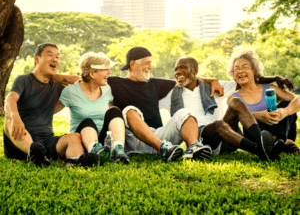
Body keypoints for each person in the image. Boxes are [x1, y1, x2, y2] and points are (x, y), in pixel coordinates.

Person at [53, 47, 225, 162]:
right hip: (133, 140)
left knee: (185, 113)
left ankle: (193, 147)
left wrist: (212, 80)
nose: (151, 66)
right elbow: (82, 78)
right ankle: (162, 149)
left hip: (158, 134)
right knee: (128, 109)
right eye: (147, 62)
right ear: (133, 64)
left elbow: (184, 79)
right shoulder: (113, 82)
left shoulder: (156, 83)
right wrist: (47, 74)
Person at [159, 57, 292, 163]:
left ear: (195, 70)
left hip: (226, 139)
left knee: (236, 102)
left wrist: (275, 78)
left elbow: (247, 80)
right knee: (219, 124)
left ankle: (261, 142)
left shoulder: (213, 86)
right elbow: (150, 92)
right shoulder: (170, 94)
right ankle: (261, 151)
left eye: (182, 68)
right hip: (201, 139)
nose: (177, 72)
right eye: (176, 69)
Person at [3, 43, 100, 168]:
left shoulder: (56, 86)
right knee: (8, 119)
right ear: (37, 59)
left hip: (47, 142)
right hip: (20, 141)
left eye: (57, 57)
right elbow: (10, 99)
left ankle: (75, 161)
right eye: (50, 55)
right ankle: (34, 152)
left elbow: (83, 82)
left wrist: (53, 75)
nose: (55, 59)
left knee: (74, 137)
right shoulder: (24, 80)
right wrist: (15, 117)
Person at [55, 52, 129, 164]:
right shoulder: (71, 91)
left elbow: (112, 119)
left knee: (114, 111)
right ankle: (95, 150)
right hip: (83, 139)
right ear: (92, 74)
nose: (109, 72)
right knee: (88, 121)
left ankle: (117, 150)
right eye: (105, 69)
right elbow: (49, 112)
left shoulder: (106, 89)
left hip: (103, 141)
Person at [227, 48, 300, 156]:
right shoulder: (233, 98)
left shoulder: (270, 88)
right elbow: (237, 116)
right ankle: (285, 142)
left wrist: (285, 111)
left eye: (245, 67)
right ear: (233, 74)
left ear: (254, 70)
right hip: (257, 134)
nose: (240, 71)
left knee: (286, 103)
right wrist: (260, 115)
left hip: (280, 126)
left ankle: (277, 141)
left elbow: (297, 99)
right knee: (252, 122)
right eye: (236, 68)